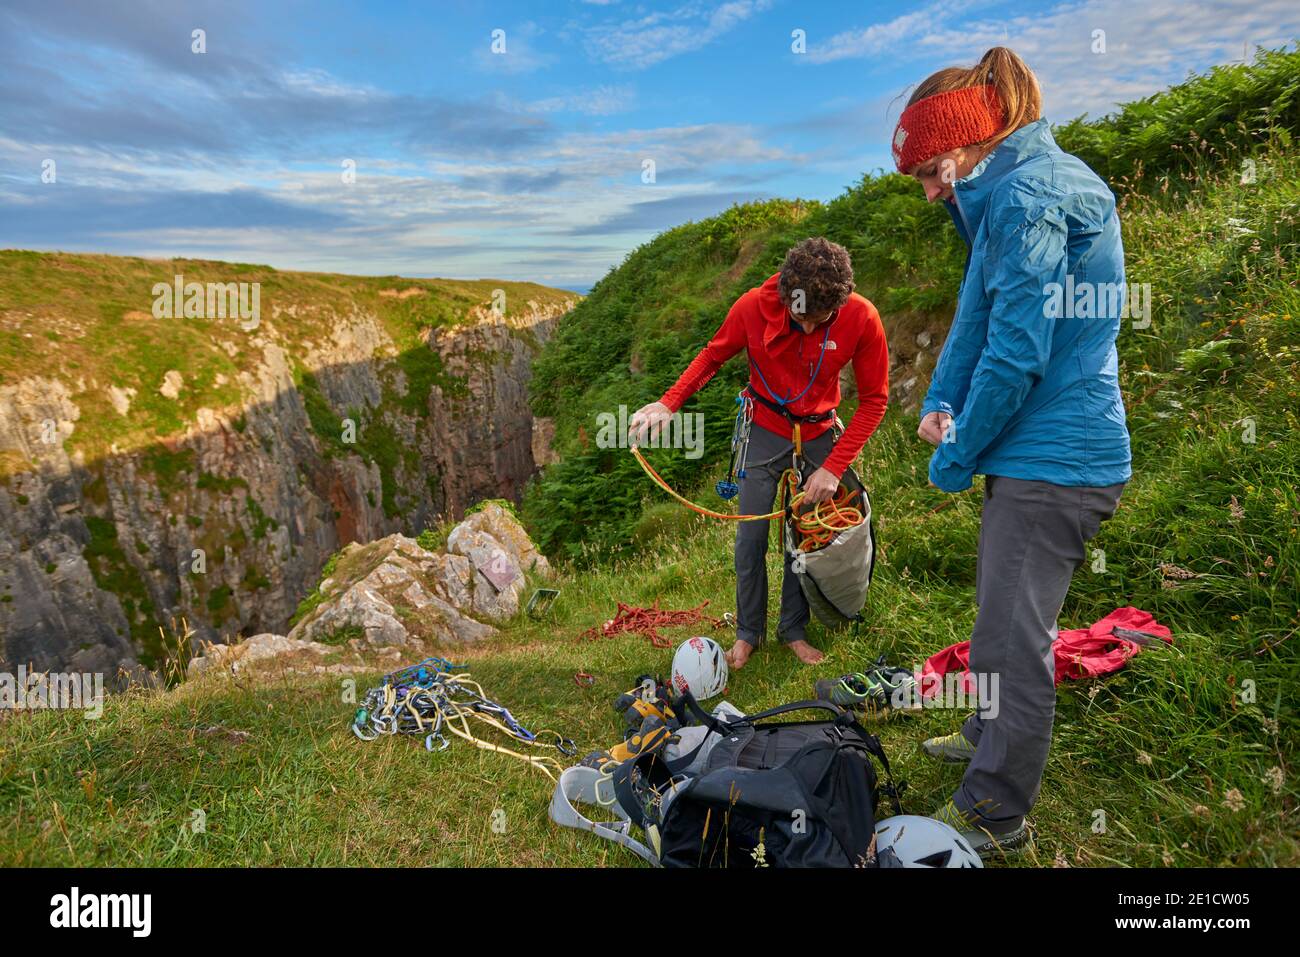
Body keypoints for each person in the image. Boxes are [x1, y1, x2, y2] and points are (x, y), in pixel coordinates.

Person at [895, 47, 1132, 856]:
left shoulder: (1029, 197)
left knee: (1016, 636)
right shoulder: (1003, 195)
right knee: (998, 624)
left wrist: (955, 456)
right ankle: (986, 732)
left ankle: (996, 811)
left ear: (965, 146)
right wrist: (940, 402)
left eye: (932, 172)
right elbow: (976, 319)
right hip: (1033, 454)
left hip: (1059, 458)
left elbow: (1018, 353)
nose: (930, 192)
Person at [628, 238, 888, 670]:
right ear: (786, 296)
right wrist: (668, 403)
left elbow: (875, 400)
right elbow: (713, 356)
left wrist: (833, 467)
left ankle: (793, 631)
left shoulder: (862, 317)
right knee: (750, 541)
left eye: (819, 322)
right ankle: (749, 634)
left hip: (821, 432)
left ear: (838, 305)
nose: (807, 330)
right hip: (764, 430)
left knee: (802, 538)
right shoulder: (752, 306)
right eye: (799, 318)